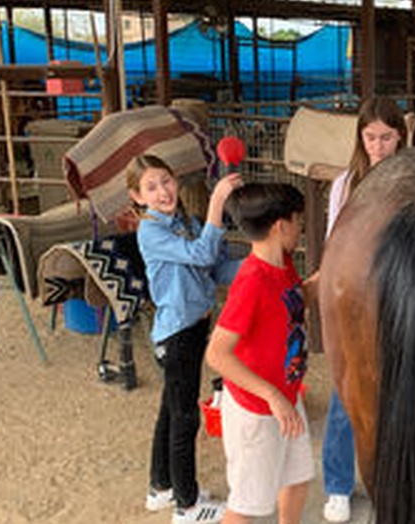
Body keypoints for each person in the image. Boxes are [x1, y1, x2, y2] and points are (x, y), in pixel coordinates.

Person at [127, 155, 243, 524]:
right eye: (151, 186)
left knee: (170, 412)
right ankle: (188, 506)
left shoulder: (187, 223)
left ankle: (161, 487)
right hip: (176, 336)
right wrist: (216, 204)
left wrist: (259, 259)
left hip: (194, 328)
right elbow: (201, 252)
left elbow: (217, 266)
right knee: (184, 418)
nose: (162, 191)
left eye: (166, 180)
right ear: (137, 196)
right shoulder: (151, 231)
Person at [320, 96, 407, 523]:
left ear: (400, 136)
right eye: (370, 137)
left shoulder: (412, 181)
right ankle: (337, 484)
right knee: (345, 394)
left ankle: (385, 476)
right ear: (360, 137)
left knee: (394, 394)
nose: (377, 146)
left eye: (386, 137)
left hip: (400, 300)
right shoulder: (346, 184)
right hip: (356, 300)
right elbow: (335, 246)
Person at [204, 182, 313, 524]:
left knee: (297, 479)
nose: (301, 229)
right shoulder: (252, 280)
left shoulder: (283, 266)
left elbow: (296, 300)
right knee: (248, 506)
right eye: (299, 222)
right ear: (281, 226)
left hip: (286, 396)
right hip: (258, 410)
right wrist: (272, 396)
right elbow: (217, 354)